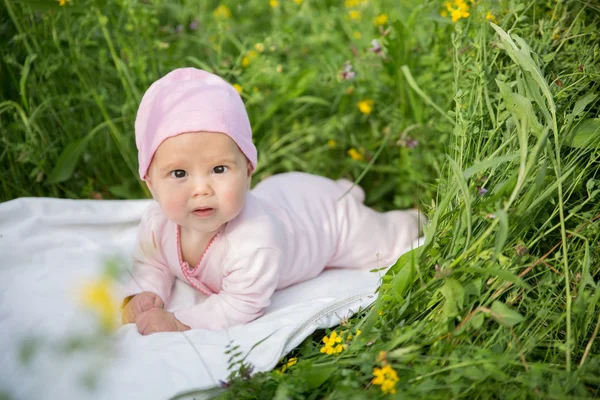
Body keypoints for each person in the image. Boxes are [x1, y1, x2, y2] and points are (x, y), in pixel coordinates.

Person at [121, 68, 424, 335]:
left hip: (325, 218)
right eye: (179, 173)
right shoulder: (156, 223)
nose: (201, 189)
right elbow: (152, 261)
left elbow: (241, 305)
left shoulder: (253, 239)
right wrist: (145, 291)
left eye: (219, 169)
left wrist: (179, 321)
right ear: (151, 184)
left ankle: (413, 217)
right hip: (286, 194)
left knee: (380, 244)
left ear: (248, 170)